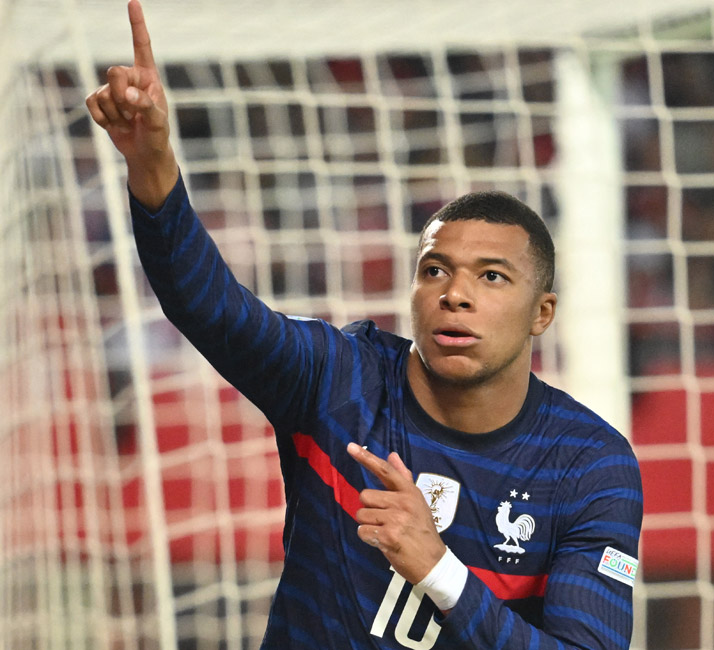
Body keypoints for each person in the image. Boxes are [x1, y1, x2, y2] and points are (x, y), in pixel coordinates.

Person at [85, 2, 643, 648]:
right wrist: (152, 166)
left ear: (542, 312)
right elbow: (212, 308)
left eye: (491, 277)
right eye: (434, 271)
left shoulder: (588, 466)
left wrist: (442, 572)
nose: (455, 294)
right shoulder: (340, 380)